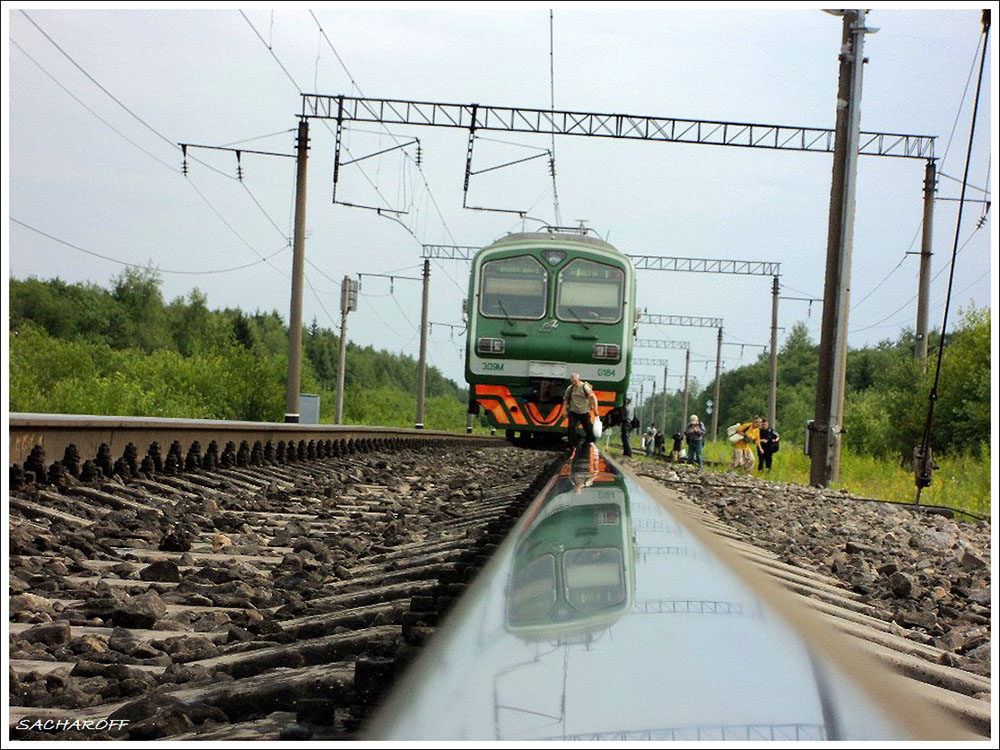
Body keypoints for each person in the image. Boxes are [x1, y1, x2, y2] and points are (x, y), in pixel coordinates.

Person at [563, 372, 599, 449]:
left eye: (575, 381)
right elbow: (566, 399)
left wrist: (595, 409)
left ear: (578, 380)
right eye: (572, 381)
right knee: (571, 427)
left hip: (584, 411)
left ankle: (590, 442)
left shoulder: (584, 387)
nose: (574, 383)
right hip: (573, 411)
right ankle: (573, 444)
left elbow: (593, 397)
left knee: (588, 428)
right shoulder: (570, 388)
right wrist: (565, 410)